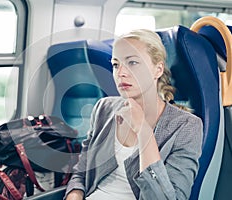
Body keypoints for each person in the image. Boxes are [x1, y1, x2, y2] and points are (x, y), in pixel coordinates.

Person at [64, 29, 203, 200]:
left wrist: (144, 131)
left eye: (132, 62)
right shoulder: (104, 108)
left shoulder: (186, 126)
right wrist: (74, 194)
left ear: (158, 70)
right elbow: (82, 172)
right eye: (116, 64)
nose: (121, 72)